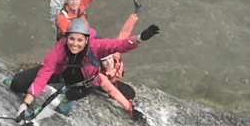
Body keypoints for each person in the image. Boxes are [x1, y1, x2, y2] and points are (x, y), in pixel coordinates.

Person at [8, 18, 160, 118]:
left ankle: (67, 99)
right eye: (71, 39)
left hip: (81, 81)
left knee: (80, 89)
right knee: (17, 84)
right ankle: (18, 81)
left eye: (79, 40)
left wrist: (140, 38)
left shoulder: (96, 47)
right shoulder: (59, 51)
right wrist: (25, 104)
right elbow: (43, 75)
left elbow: (119, 44)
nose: (75, 44)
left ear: (87, 40)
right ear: (66, 38)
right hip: (61, 73)